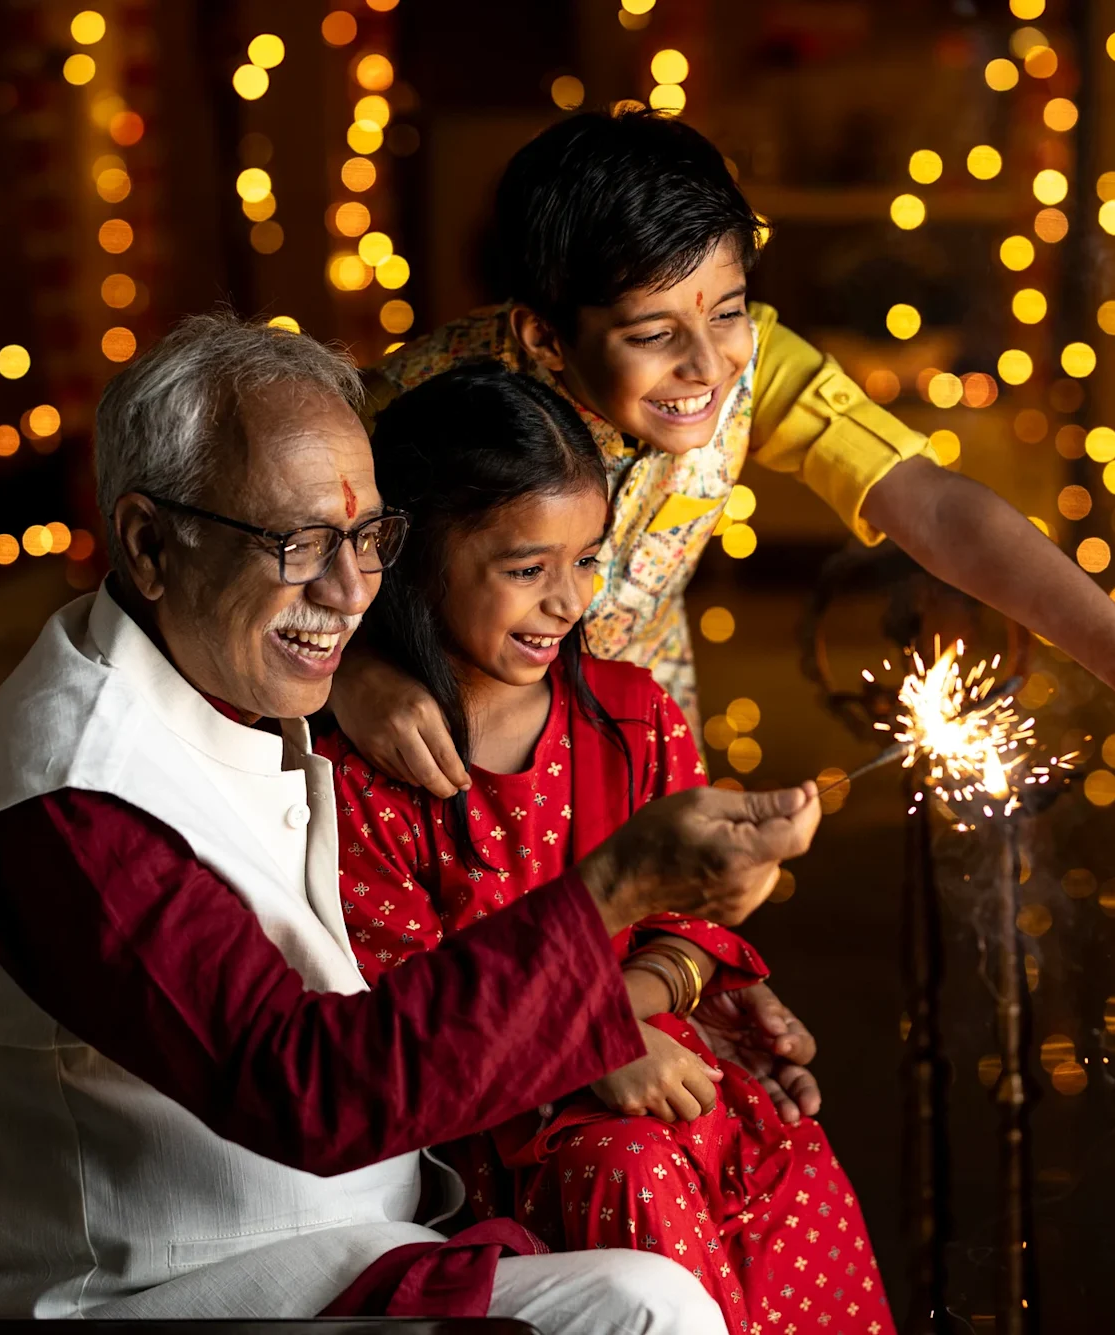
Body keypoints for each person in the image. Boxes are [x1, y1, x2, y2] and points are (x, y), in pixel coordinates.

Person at [0, 313, 823, 1332]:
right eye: (298, 544)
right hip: (162, 1299)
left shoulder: (236, 674)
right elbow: (308, 1094)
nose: (349, 591)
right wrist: (614, 893)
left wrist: (669, 984)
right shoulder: (69, 801)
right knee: (642, 1311)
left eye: (369, 537)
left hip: (353, 1251)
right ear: (150, 543)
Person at [335, 109, 1115, 796]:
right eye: (650, 333)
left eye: (728, 310)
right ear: (544, 336)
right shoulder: (413, 407)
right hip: (433, 753)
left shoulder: (757, 369)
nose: (705, 365)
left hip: (633, 745)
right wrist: (351, 677)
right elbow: (249, 539)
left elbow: (937, 508)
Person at [317, 361, 892, 1334]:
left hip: (669, 1081)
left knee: (786, 1152)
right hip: (512, 1133)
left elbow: (691, 932)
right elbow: (405, 1011)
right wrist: (582, 1046)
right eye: (524, 569)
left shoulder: (632, 720)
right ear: (410, 555)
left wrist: (626, 1013)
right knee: (627, 1170)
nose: (567, 600)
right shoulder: (366, 775)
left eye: (587, 559)